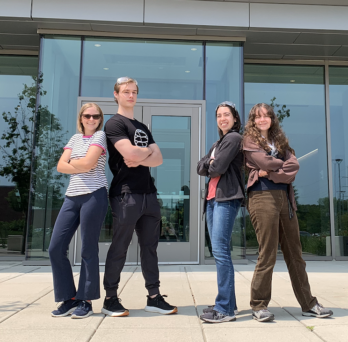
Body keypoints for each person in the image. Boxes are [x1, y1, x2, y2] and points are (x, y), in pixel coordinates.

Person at [243, 103, 333, 322]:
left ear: (272, 119)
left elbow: (293, 168)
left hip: (285, 199)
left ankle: (308, 304)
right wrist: (278, 166)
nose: (262, 120)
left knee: (296, 254)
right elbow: (262, 161)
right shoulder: (249, 141)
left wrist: (271, 173)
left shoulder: (281, 143)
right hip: (262, 198)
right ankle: (259, 305)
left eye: (266, 116)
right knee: (268, 253)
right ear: (253, 120)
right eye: (258, 117)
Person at [102, 76, 177, 317]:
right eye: (126, 91)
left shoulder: (142, 126)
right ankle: (110, 299)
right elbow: (129, 152)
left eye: (134, 91)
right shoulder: (114, 124)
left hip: (149, 195)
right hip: (126, 195)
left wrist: (140, 155)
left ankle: (154, 297)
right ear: (116, 94)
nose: (131, 95)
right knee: (120, 247)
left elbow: (159, 159)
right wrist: (146, 152)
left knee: (150, 248)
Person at [49, 103, 108, 318]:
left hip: (94, 194)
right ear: (81, 118)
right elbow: (59, 166)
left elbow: (90, 163)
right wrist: (80, 163)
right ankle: (69, 298)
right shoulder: (74, 139)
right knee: (55, 248)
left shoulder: (100, 137)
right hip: (72, 196)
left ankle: (86, 299)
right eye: (87, 116)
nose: (91, 119)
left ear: (100, 119)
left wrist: (73, 162)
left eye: (95, 116)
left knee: (88, 249)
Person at [197, 101, 245, 323]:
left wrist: (211, 163)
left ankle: (224, 308)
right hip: (213, 199)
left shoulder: (234, 138)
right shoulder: (219, 142)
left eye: (226, 114)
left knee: (220, 251)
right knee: (220, 251)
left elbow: (217, 168)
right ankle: (228, 303)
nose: (222, 118)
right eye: (219, 115)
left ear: (235, 118)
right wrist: (210, 161)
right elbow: (200, 166)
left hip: (226, 199)